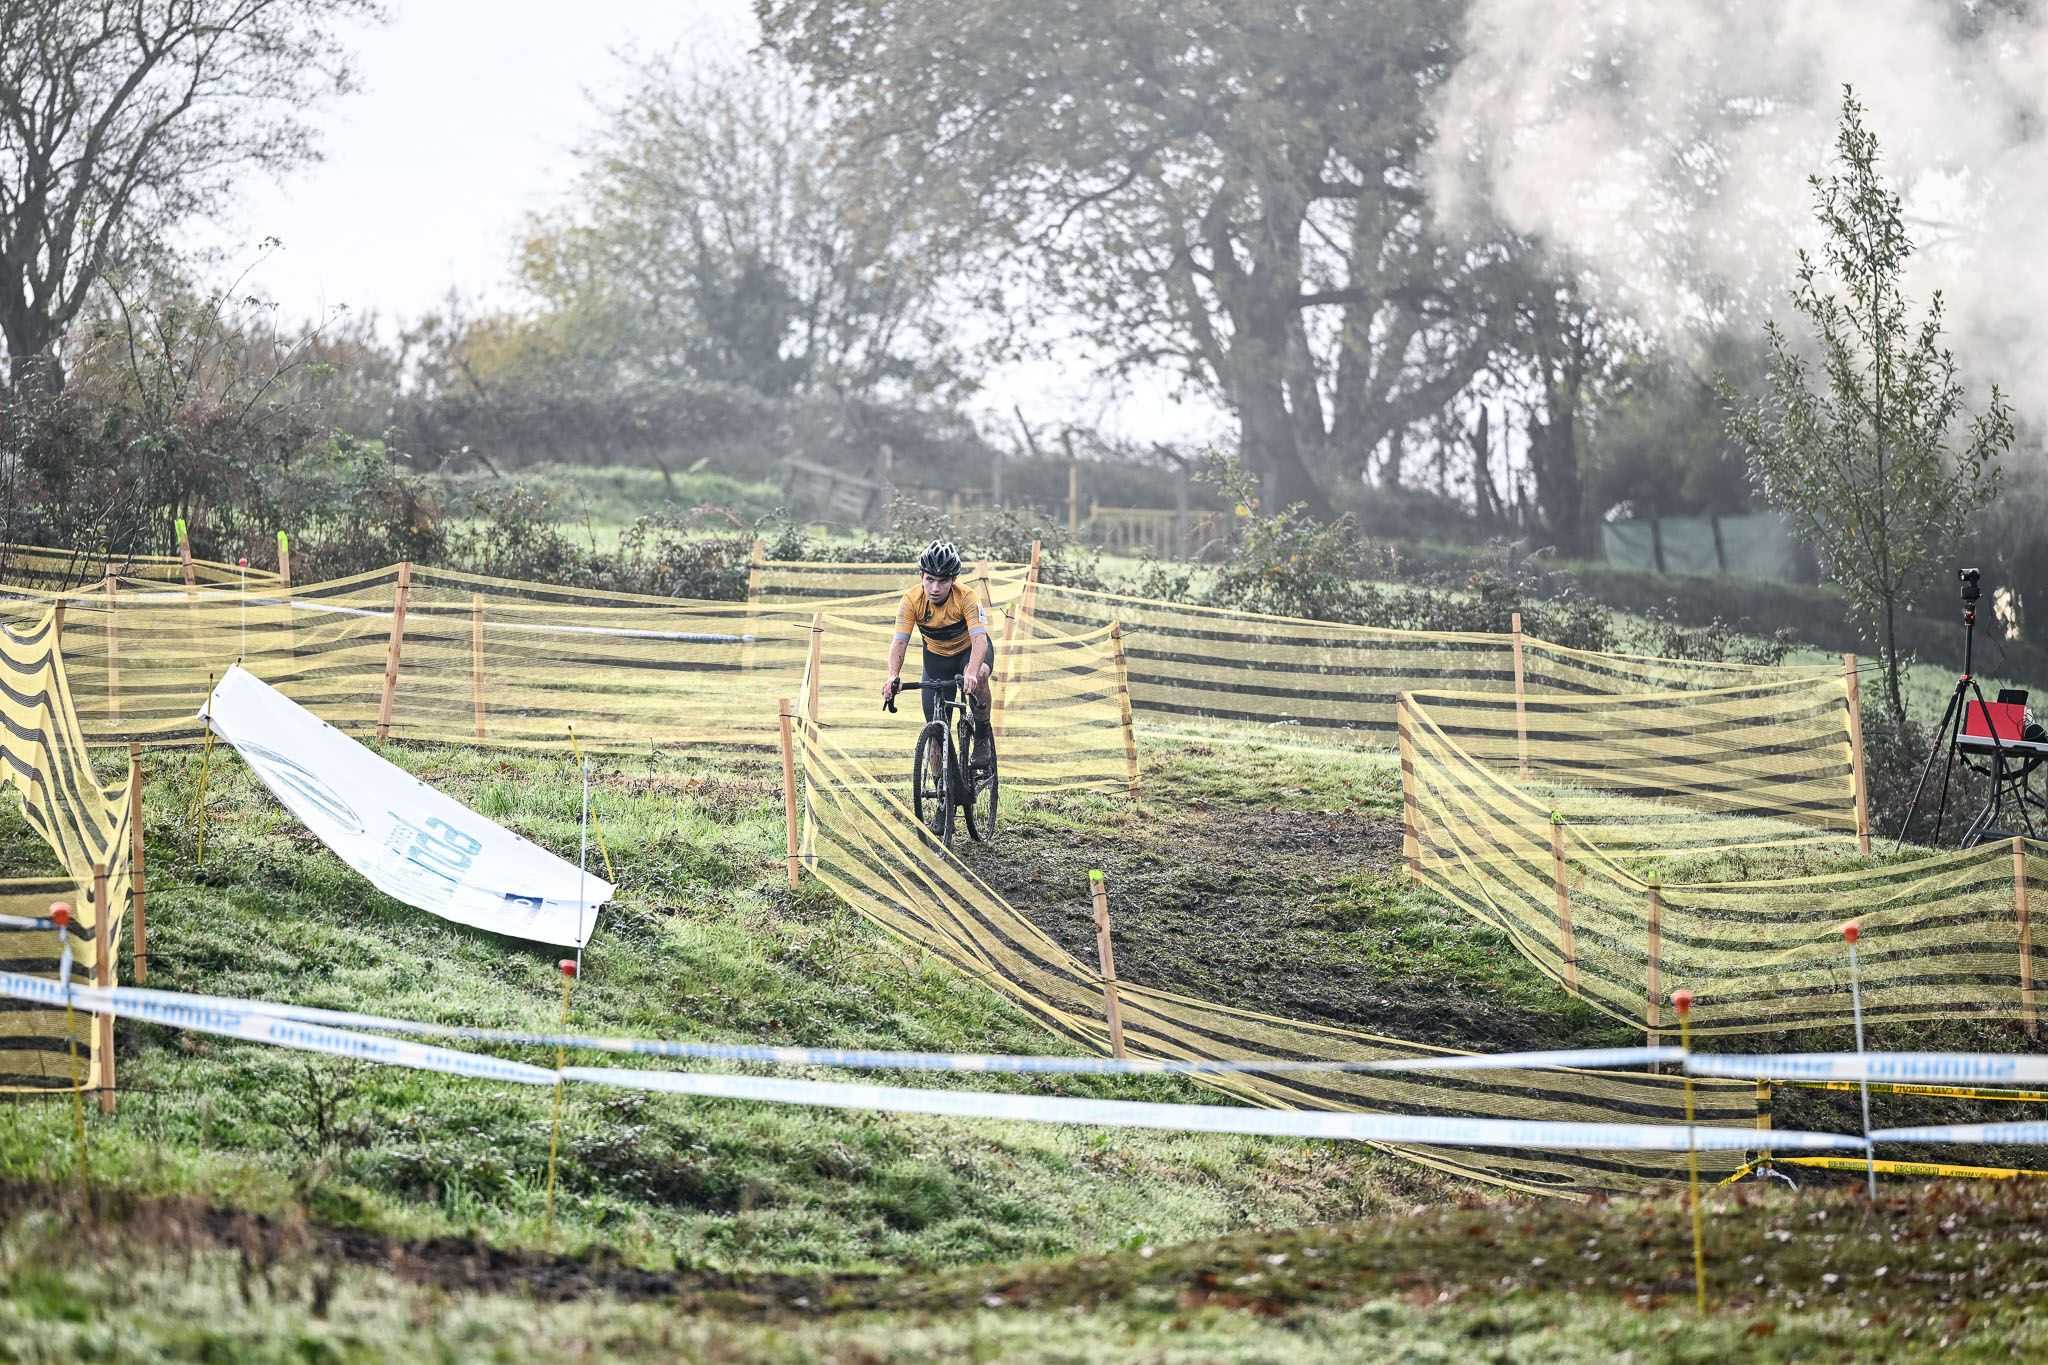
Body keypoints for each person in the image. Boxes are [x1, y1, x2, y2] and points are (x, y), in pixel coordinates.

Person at [881, 540, 994, 765]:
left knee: (980, 675)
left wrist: (970, 672)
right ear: (921, 576)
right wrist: (893, 676)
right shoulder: (911, 600)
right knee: (934, 739)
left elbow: (979, 639)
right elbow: (899, 642)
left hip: (969, 652)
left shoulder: (967, 597)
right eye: (930, 579)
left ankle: (982, 736)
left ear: (953, 580)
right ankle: (944, 791)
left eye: (942, 581)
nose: (935, 588)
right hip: (936, 660)